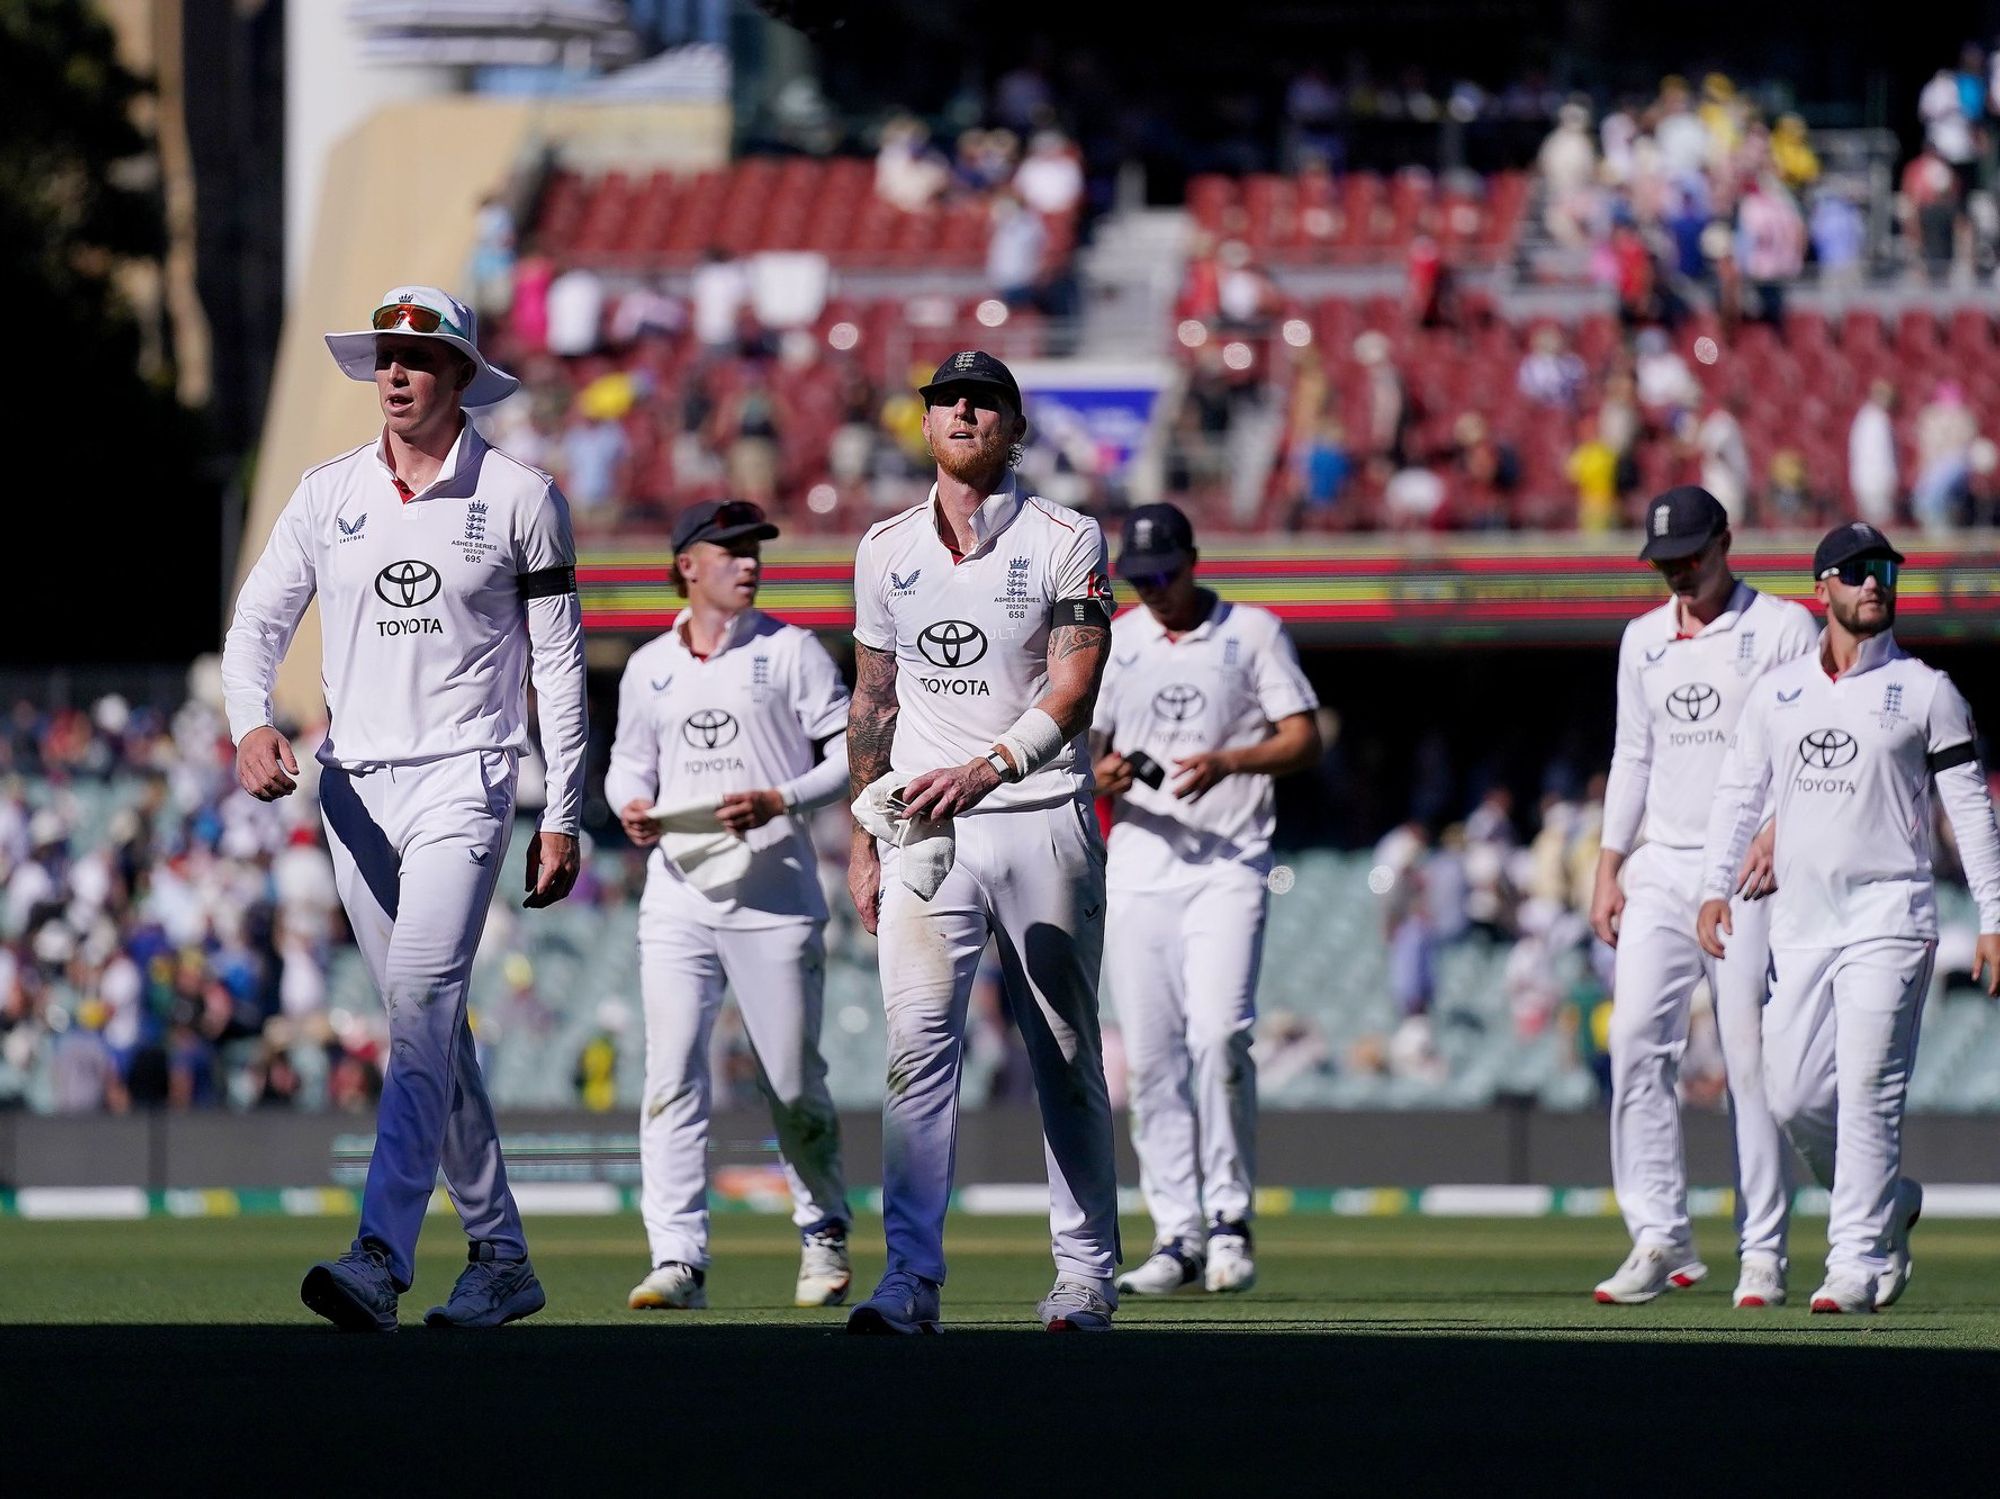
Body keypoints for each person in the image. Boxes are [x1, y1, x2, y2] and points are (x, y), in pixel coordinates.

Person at [222, 285, 587, 1330]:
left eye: (418, 359)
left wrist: (563, 810)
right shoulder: (325, 491)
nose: (394, 372)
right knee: (426, 1026)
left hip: (465, 777)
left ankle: (380, 1255)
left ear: (461, 375)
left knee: (424, 1002)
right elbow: (256, 623)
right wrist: (249, 723)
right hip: (351, 786)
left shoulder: (522, 496)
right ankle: (502, 1256)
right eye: (385, 355)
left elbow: (559, 669)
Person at [844, 350, 1122, 1333]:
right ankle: (908, 1278)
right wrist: (862, 835)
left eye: (984, 400)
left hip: (1039, 809)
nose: (963, 411)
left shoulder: (1065, 534)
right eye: (946, 400)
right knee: (916, 1046)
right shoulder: (883, 547)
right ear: (925, 423)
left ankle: (1084, 1274)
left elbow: (1074, 687)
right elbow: (873, 699)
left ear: (1014, 427)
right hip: (926, 827)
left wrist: (989, 767)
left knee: (1062, 1047)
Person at [1699, 522, 2000, 1313]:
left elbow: (1971, 810)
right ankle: (1887, 1202)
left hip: (1890, 914)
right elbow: (1740, 793)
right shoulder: (1779, 692)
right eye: (1858, 571)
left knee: (1868, 1087)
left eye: (1885, 571)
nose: (1875, 583)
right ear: (1821, 587)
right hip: (1801, 922)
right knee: (1793, 1096)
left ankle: (1854, 1263)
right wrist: (1712, 886)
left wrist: (1994, 914)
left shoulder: (1927, 691)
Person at [604, 499, 855, 1312]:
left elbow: (852, 753)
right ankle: (677, 1256)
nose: (749, 563)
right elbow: (627, 762)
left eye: (755, 551)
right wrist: (629, 803)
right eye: (731, 550)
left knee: (791, 1080)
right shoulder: (649, 666)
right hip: (678, 890)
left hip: (774, 892)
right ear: (687, 565)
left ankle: (823, 1229)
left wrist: (781, 798)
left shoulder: (791, 650)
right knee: (672, 1071)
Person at [1588, 486, 1819, 1309]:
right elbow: (1633, 754)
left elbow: (1809, 740)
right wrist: (1610, 863)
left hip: (1745, 866)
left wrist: (1776, 829)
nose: (1679, 573)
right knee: (1634, 1042)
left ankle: (1763, 1251)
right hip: (1661, 862)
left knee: (1745, 1057)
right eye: (1665, 562)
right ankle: (1660, 1234)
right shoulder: (1642, 639)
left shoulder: (1784, 627)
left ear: (1726, 541)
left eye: (1691, 555)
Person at [1091, 503, 1320, 1297]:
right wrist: (1102, 774)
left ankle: (1229, 1217)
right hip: (1139, 864)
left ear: (1193, 560)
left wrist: (1228, 761)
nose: (1153, 589)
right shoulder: (1119, 640)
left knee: (1221, 1036)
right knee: (1150, 1058)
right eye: (1138, 578)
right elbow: (1085, 750)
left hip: (1229, 862)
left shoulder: (1251, 631)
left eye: (1164, 573)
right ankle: (1177, 1233)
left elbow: (1304, 736)